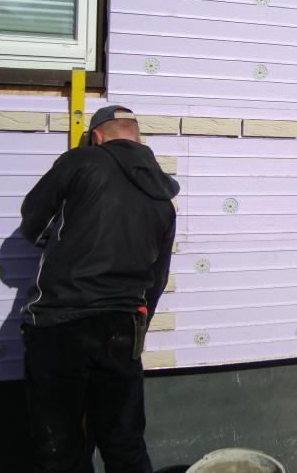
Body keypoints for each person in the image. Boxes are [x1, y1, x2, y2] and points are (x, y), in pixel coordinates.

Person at [19, 105, 179, 473]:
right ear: (138, 138)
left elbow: (33, 222)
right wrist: (137, 325)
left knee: (58, 448)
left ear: (97, 136)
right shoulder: (163, 197)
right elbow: (156, 279)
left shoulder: (82, 161)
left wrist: (65, 240)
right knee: (124, 443)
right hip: (123, 328)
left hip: (61, 321)